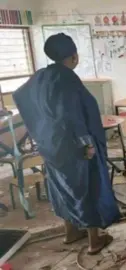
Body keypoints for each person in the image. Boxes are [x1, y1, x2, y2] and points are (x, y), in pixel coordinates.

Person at [13, 33, 120, 255]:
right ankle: (94, 241)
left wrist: (41, 131)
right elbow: (70, 114)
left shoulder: (41, 77)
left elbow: (21, 97)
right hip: (76, 146)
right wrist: (85, 143)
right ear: (73, 56)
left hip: (51, 145)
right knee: (88, 188)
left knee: (63, 187)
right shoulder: (66, 78)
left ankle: (71, 232)